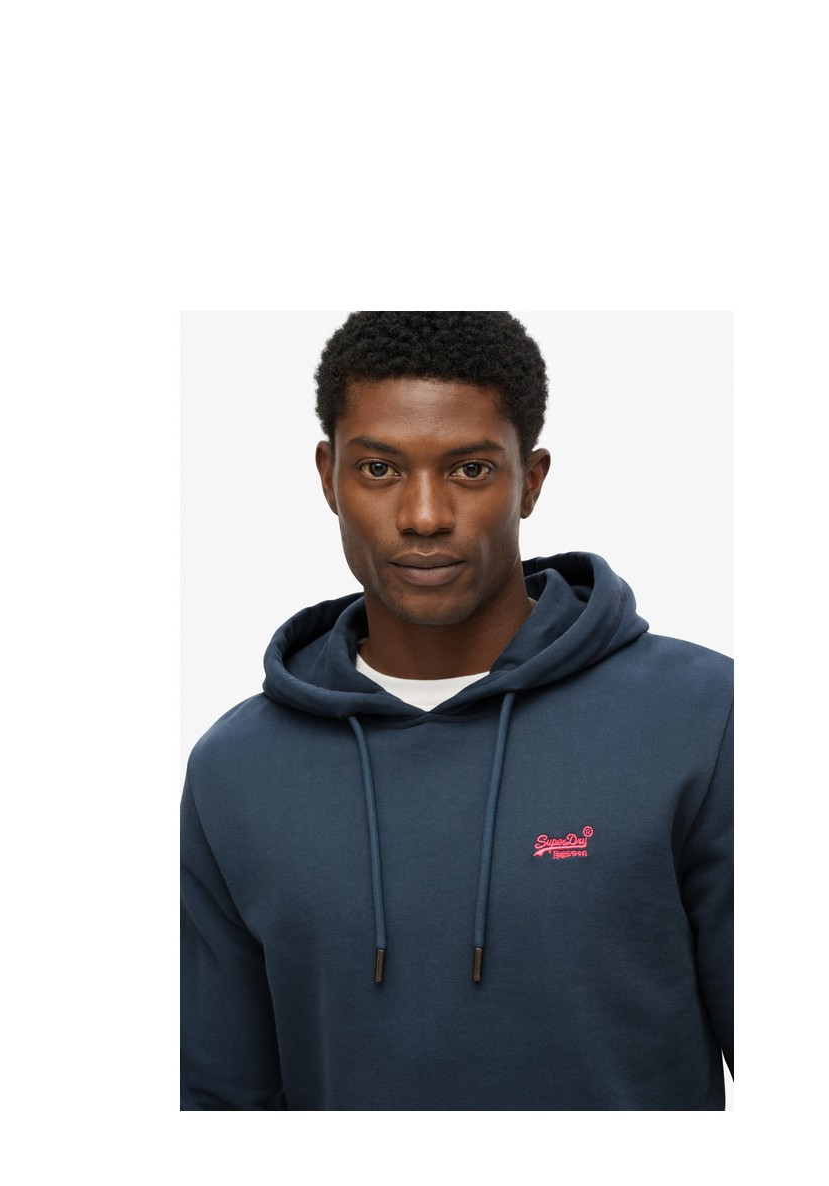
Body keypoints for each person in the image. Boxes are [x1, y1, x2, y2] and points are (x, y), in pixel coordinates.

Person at [181, 311, 733, 1110]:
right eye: (379, 469)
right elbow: (219, 1101)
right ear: (328, 476)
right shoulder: (235, 771)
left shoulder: (702, 718)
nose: (425, 515)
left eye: (470, 470)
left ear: (530, 480)